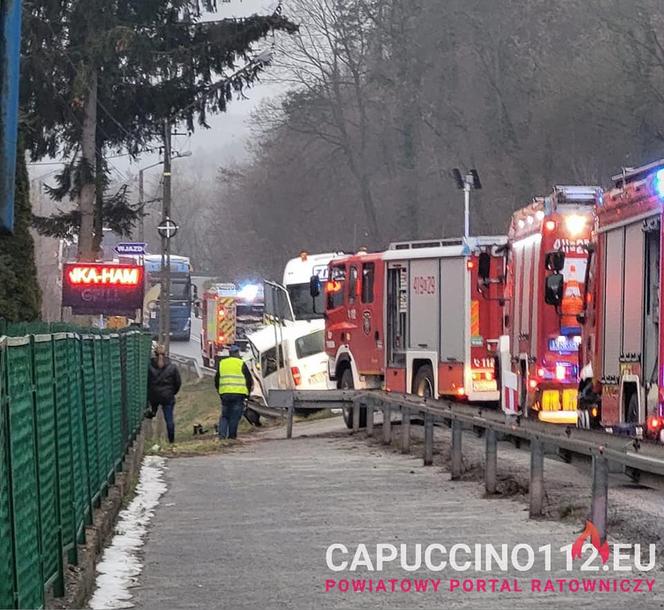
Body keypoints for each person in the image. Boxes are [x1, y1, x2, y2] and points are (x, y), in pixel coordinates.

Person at [215, 345, 253, 440]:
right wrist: (248, 393)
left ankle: (222, 435)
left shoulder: (222, 363)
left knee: (225, 415)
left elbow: (216, 379)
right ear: (237, 353)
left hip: (225, 394)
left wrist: (219, 391)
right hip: (238, 394)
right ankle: (232, 437)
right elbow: (248, 379)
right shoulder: (241, 363)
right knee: (234, 416)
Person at [147, 344, 182, 444]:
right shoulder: (172, 367)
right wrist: (172, 392)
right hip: (168, 396)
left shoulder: (149, 367)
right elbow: (178, 383)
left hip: (154, 396)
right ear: (166, 354)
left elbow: (148, 382)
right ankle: (171, 441)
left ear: (154, 354)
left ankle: (152, 411)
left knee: (153, 407)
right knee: (169, 419)